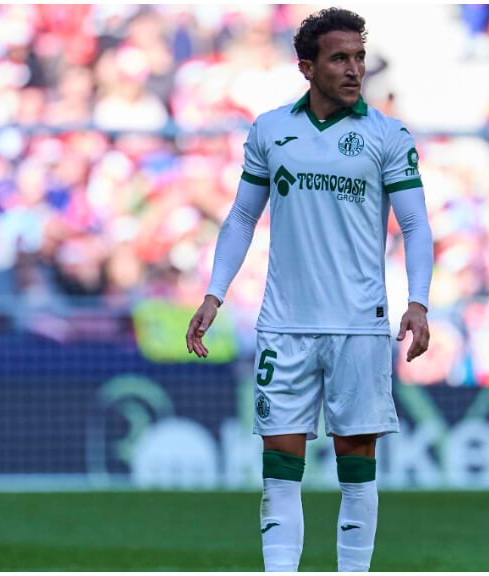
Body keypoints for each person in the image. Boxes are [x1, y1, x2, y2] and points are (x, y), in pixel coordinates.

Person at [185, 8, 433, 572]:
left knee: (356, 466)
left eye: (359, 58)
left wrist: (417, 301)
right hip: (285, 325)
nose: (354, 70)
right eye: (340, 58)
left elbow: (416, 225)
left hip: (360, 326)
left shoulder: (387, 135)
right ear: (307, 66)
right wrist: (214, 293)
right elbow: (243, 217)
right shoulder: (271, 130)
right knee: (279, 473)